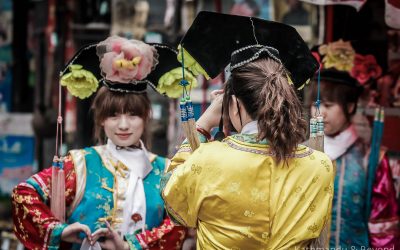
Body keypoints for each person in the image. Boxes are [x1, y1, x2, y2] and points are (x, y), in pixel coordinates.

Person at [161, 11, 334, 249]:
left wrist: (202, 125)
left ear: (233, 105)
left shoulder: (208, 158)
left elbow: (174, 205)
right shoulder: (320, 164)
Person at [11, 36, 194, 249]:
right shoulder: (79, 165)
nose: (123, 125)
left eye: (133, 115)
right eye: (114, 115)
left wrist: (129, 246)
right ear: (101, 119)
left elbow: (181, 223)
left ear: (146, 117)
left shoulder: (165, 171)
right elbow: (23, 194)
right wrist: (59, 231)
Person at [309, 40, 400, 249]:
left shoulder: (372, 160)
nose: (319, 113)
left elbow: (384, 228)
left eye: (329, 105)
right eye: (315, 105)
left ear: (350, 107)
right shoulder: (302, 153)